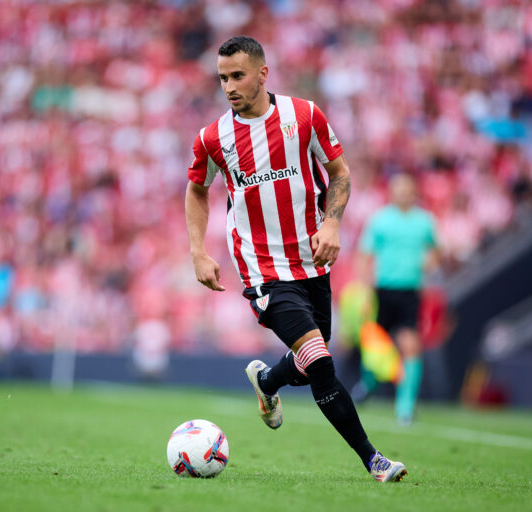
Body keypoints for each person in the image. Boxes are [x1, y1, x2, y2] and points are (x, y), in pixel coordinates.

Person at [184, 36, 407, 483]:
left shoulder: (304, 116)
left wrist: (332, 224)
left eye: (238, 75)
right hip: (262, 266)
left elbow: (340, 174)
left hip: (312, 259)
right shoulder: (214, 138)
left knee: (308, 365)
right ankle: (374, 460)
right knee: (320, 360)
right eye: (222, 77)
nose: (228, 85)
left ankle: (268, 383)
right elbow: (196, 189)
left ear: (263, 74)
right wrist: (198, 250)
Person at [356, 174, 439, 424]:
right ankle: (368, 384)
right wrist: (364, 289)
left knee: (410, 346)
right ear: (391, 192)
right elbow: (363, 255)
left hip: (410, 292)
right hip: (383, 290)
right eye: (398, 189)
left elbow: (436, 250)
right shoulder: (380, 220)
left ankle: (405, 407)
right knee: (375, 348)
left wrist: (429, 263)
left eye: (407, 189)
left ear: (414, 192)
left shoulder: (425, 221)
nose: (403, 193)